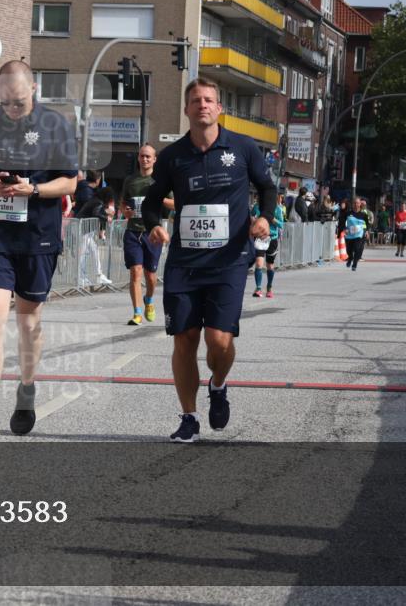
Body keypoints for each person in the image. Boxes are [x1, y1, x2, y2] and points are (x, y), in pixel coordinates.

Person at [142, 77, 274, 443]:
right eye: (196, 100)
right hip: (185, 263)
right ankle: (189, 417)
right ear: (186, 109)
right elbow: (153, 202)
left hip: (228, 261)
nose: (203, 105)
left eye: (209, 100)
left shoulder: (244, 148)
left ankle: (218, 384)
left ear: (219, 109)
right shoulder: (172, 157)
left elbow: (268, 187)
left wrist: (264, 217)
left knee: (219, 342)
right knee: (184, 339)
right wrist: (154, 225)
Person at [0, 59, 78, 437]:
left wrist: (34, 189)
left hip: (38, 235)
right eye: (5, 100)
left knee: (28, 321)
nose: (11, 108)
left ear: (34, 90)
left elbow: (71, 182)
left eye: (18, 101)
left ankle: (26, 388)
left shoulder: (55, 125)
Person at [121, 144, 173, 325]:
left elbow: (174, 204)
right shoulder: (130, 180)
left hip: (153, 233)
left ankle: (149, 300)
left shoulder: (160, 180)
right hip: (133, 231)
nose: (144, 159)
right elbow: (123, 203)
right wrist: (126, 211)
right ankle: (136, 313)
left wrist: (157, 198)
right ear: (138, 158)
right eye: (142, 156)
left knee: (151, 276)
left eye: (148, 157)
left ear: (154, 159)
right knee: (135, 272)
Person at [74, 186, 115, 286]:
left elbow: (96, 213)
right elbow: (96, 213)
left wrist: (105, 215)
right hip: (83, 230)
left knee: (94, 252)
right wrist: (107, 217)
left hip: (86, 231)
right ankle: (81, 278)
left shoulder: (95, 201)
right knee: (83, 255)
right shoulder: (98, 202)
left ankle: (98, 275)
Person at [250, 195, 285, 298]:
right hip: (260, 238)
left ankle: (269, 287)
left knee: (269, 265)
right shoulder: (257, 206)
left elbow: (281, 224)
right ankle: (258, 288)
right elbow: (251, 216)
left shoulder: (277, 209)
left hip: (272, 238)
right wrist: (253, 220)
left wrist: (273, 220)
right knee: (259, 263)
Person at [343, 197, 369, 271]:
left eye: (357, 203)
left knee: (357, 249)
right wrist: (345, 229)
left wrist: (366, 231)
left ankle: (354, 264)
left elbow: (366, 224)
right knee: (349, 250)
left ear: (360, 204)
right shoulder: (348, 213)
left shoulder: (363, 215)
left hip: (359, 235)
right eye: (354, 203)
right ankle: (350, 258)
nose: (356, 204)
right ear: (352, 204)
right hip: (349, 235)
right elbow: (343, 222)